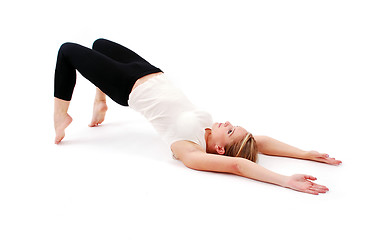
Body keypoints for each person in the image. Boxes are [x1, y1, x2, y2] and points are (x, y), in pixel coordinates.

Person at [53, 38, 341, 195]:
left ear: (218, 149)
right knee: (100, 43)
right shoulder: (209, 131)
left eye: (229, 132)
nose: (228, 123)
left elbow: (239, 165)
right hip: (150, 71)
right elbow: (259, 141)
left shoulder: (187, 148)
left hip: (126, 85)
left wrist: (285, 180)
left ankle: (61, 117)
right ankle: (100, 101)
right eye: (233, 126)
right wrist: (306, 153)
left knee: (67, 50)